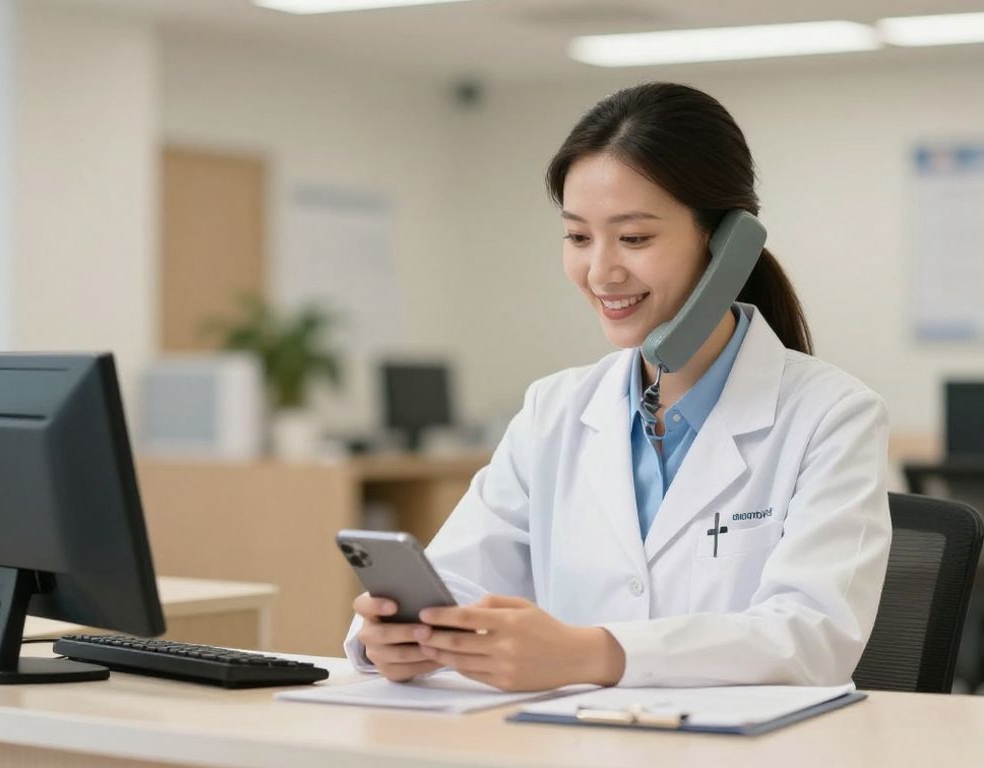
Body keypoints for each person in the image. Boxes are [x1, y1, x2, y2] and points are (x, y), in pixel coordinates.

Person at [345, 82, 891, 692]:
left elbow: (811, 636)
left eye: (634, 238)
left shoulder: (831, 416)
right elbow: (457, 583)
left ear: (728, 245)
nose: (600, 271)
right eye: (578, 237)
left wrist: (592, 654)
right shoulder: (552, 411)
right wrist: (395, 639)